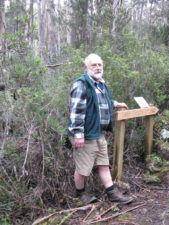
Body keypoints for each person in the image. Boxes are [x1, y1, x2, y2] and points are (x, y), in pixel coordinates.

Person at [68, 53, 134, 204]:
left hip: (97, 133)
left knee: (104, 164)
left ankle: (113, 194)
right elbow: (76, 111)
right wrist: (78, 134)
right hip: (85, 134)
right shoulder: (81, 84)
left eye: (100, 65)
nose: (98, 67)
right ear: (86, 67)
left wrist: (116, 104)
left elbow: (101, 100)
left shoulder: (100, 83)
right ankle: (80, 195)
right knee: (83, 169)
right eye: (94, 65)